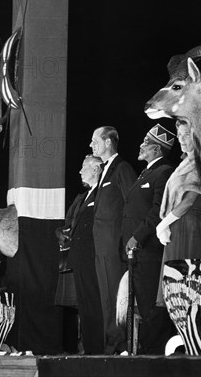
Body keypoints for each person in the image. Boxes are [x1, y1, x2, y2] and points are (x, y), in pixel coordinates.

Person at [122, 124, 175, 354]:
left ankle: (153, 352)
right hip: (137, 252)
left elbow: (157, 211)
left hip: (150, 249)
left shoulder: (164, 172)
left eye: (145, 142)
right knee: (142, 303)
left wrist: (137, 236)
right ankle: (146, 349)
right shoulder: (146, 173)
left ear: (156, 148)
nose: (141, 146)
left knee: (151, 304)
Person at [156, 122, 201, 302]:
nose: (181, 139)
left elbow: (189, 201)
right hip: (178, 229)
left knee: (191, 295)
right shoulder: (185, 163)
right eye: (179, 135)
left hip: (192, 231)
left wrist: (162, 224)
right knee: (177, 297)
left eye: (186, 135)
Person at [90, 126, 137, 354]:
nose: (91, 145)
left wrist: (128, 241)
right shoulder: (106, 171)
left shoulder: (122, 168)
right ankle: (111, 347)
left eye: (94, 140)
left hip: (115, 247)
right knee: (106, 298)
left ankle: (120, 347)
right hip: (102, 248)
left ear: (108, 142)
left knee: (116, 298)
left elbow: (133, 204)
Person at [57, 155, 105, 355]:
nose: (80, 171)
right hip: (78, 259)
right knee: (83, 308)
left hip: (93, 257)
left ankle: (98, 350)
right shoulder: (81, 198)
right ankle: (88, 349)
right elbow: (68, 225)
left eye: (84, 167)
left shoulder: (103, 194)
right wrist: (61, 233)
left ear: (96, 169)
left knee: (94, 305)